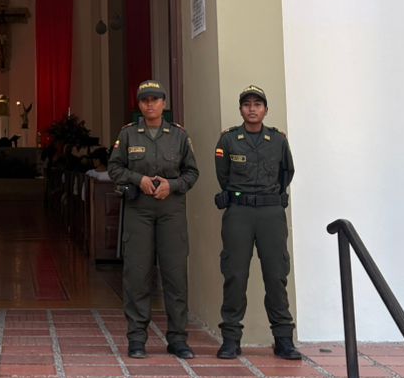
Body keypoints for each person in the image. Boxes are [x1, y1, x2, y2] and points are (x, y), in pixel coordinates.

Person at [108, 79, 199, 359]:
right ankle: (137, 338)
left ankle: (178, 338)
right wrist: (139, 179)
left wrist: (172, 185)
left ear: (164, 104)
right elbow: (114, 167)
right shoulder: (128, 135)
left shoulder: (179, 136)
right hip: (140, 210)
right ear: (139, 104)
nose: (150, 104)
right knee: (137, 275)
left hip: (170, 210)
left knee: (175, 276)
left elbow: (192, 173)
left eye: (155, 99)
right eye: (145, 100)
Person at [214, 84, 301, 360]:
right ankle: (230, 339)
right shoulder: (228, 140)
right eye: (247, 104)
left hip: (270, 213)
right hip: (239, 212)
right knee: (235, 274)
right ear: (241, 109)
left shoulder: (277, 140)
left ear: (265, 109)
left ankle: (283, 339)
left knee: (276, 275)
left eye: (257, 104)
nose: (252, 109)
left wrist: (269, 196)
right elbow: (223, 175)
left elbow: (287, 172)